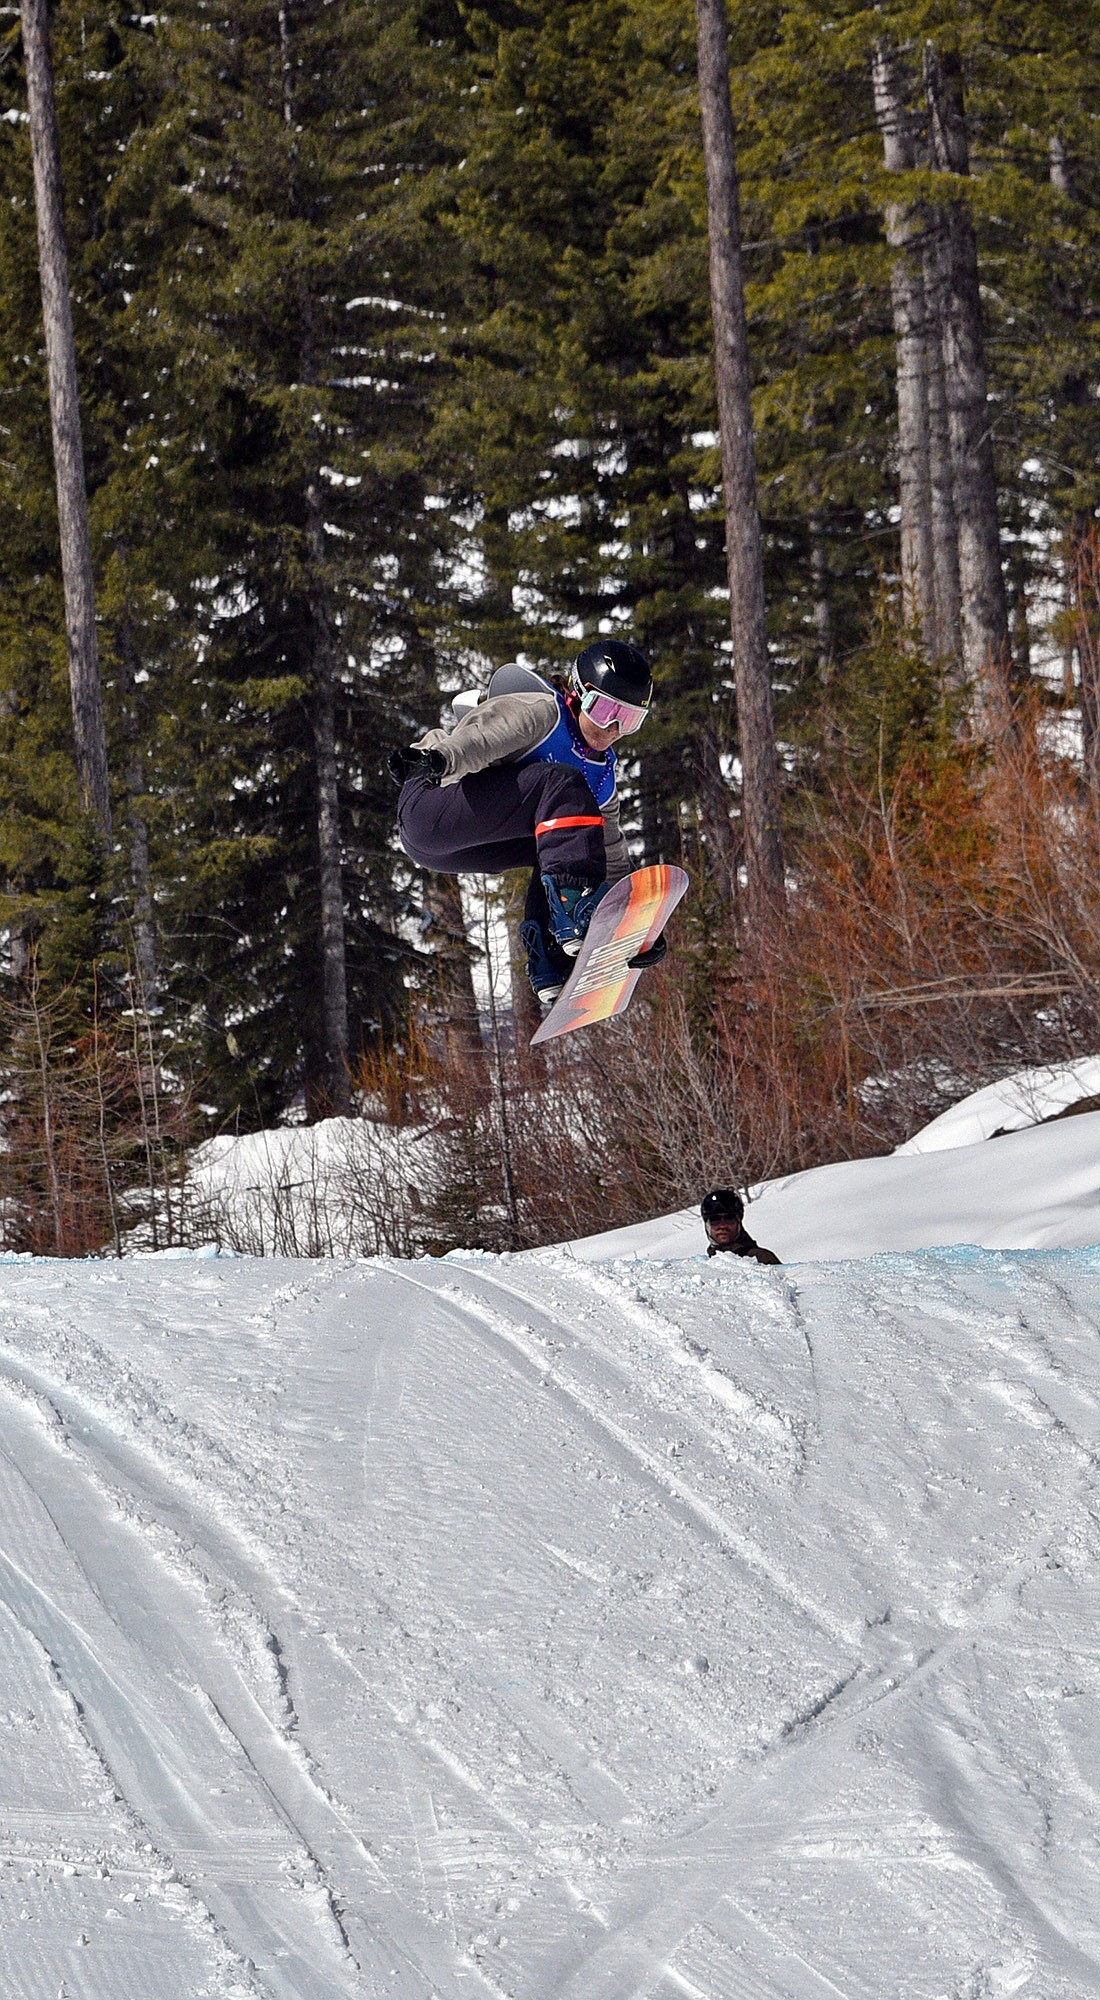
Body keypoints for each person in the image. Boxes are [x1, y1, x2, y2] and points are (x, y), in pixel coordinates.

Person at [389, 640, 666, 1007]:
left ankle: (552, 955)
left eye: (628, 720)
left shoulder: (603, 778)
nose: (612, 727)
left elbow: (608, 853)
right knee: (562, 784)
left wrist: (633, 923)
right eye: (604, 710)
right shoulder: (541, 714)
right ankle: (574, 903)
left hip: (462, 847)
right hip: (433, 800)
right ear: (579, 694)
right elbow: (481, 738)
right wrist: (435, 760)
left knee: (573, 839)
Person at [701, 1188, 781, 1265]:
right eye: (715, 1220)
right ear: (707, 1225)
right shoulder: (702, 1265)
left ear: (739, 1222)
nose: (722, 1225)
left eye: (729, 1218)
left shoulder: (761, 1259)